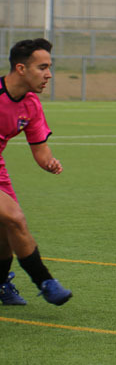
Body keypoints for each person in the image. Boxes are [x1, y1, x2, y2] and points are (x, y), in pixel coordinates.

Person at [0, 38, 72, 306]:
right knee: (15, 218)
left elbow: (41, 152)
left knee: (5, 231)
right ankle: (46, 282)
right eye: (42, 67)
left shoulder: (31, 104)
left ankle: (0, 284)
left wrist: (50, 163)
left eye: (49, 67)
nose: (49, 74)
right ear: (21, 68)